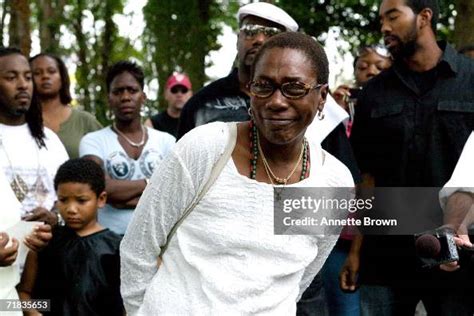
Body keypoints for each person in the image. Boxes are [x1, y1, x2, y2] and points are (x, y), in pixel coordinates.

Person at [121, 32, 354, 315]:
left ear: (322, 98)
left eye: (294, 88)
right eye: (264, 86)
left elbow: (301, 274)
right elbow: (138, 248)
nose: (277, 101)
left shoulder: (334, 181)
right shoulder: (205, 148)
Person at [340, 0, 474, 314]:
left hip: (458, 253)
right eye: (381, 19)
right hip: (386, 254)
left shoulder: (472, 81)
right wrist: (357, 251)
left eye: (393, 16)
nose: (384, 27)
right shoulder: (374, 93)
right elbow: (367, 179)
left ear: (424, 17)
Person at [79, 61, 175, 235]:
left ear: (143, 97)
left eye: (132, 90)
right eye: (118, 91)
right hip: (109, 240)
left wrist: (120, 199)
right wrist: (151, 184)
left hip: (158, 239)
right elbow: (98, 188)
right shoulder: (93, 141)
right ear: (109, 99)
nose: (125, 97)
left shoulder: (167, 141)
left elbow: (174, 192)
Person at [18, 158, 124, 316]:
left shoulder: (117, 248)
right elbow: (23, 294)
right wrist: (35, 313)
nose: (71, 209)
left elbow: (125, 305)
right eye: (63, 200)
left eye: (81, 201)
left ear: (101, 199)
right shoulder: (45, 241)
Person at [0, 47, 68, 226]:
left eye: (28, 77)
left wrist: (55, 217)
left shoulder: (49, 140)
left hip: (49, 247)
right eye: (11, 77)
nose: (23, 85)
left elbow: (71, 196)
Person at [30, 53, 102, 158]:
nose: (45, 76)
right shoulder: (20, 121)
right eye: (37, 73)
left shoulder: (85, 121)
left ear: (62, 77)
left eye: (51, 71)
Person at [333, 44, 392, 114]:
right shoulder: (346, 105)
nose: (371, 71)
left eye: (380, 67)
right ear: (354, 72)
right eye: (363, 67)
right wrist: (337, 111)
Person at [144, 72, 192, 137]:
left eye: (184, 90)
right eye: (174, 90)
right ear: (166, 94)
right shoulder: (152, 124)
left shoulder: (198, 122)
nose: (179, 94)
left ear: (190, 94)